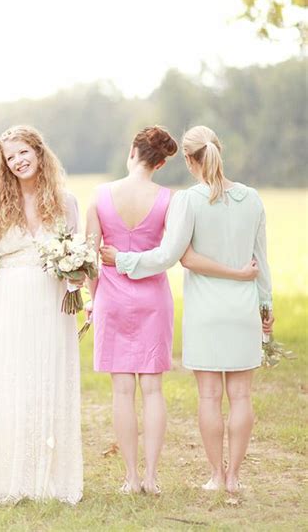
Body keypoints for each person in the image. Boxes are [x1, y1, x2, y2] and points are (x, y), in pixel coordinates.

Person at [101, 125, 273, 494]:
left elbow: (170, 256)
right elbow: (261, 260)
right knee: (242, 397)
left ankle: (215, 475)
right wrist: (265, 303)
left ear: (189, 161)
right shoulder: (253, 198)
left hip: (206, 313)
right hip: (243, 308)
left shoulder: (188, 200)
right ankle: (235, 477)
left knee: (210, 397)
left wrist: (123, 260)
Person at [0, 125, 83, 504]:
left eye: (23, 152)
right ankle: (8, 473)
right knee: (12, 379)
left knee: (48, 375)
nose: (18, 161)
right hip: (10, 300)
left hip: (51, 302)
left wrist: (77, 272)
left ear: (38, 151)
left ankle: (49, 476)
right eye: (10, 157)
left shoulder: (65, 201)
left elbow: (78, 263)